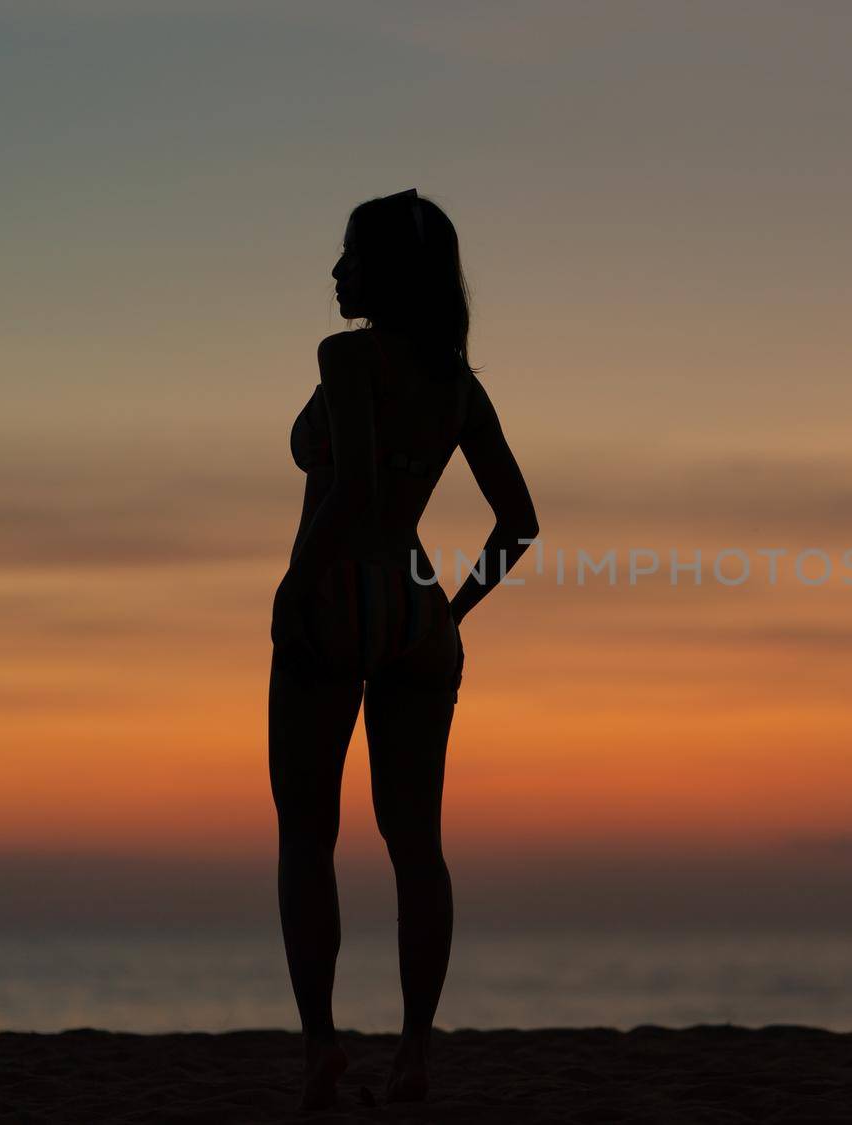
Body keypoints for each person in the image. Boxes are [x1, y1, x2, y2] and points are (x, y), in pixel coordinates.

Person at [268, 189, 538, 1109]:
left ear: (387, 274)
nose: (336, 272)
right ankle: (415, 1053)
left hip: (340, 593)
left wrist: (294, 586)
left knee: (308, 835)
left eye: (350, 256)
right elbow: (520, 523)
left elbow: (344, 491)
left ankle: (320, 1049)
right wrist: (453, 609)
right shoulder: (460, 385)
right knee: (416, 844)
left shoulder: (347, 356)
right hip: (418, 608)